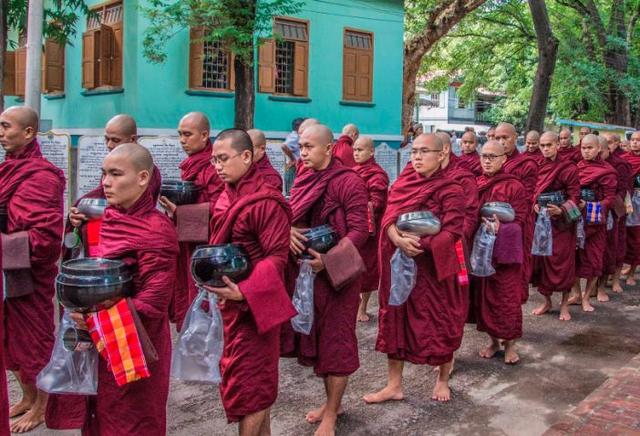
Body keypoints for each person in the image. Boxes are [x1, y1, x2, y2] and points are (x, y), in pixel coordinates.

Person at [46, 143, 179, 435]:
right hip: (104, 338)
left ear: (143, 178)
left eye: (116, 174)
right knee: (100, 417)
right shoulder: (111, 218)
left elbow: (154, 302)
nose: (106, 183)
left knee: (131, 421)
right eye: (104, 174)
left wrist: (94, 320)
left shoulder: (156, 230)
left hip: (137, 342)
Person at [204, 129, 296, 435]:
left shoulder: (265, 201)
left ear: (246, 156)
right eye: (214, 159)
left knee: (253, 386)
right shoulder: (225, 194)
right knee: (247, 382)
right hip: (230, 303)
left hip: (255, 305)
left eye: (224, 158)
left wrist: (245, 291)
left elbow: (276, 258)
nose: (217, 166)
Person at [364, 133, 466, 404]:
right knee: (395, 319)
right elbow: (388, 216)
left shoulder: (451, 188)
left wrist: (422, 243)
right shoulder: (402, 184)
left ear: (442, 154)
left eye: (424, 151)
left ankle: (443, 379)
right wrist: (396, 237)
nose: (417, 157)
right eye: (414, 152)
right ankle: (394, 385)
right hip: (400, 264)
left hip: (432, 268)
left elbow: (454, 230)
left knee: (442, 320)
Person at [283, 124, 369, 436]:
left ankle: (332, 414)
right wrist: (288, 229)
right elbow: (291, 214)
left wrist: (329, 261)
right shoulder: (304, 176)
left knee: (337, 343)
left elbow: (360, 229)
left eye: (309, 147)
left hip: (339, 275)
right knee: (319, 340)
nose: (302, 152)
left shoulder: (348, 181)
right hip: (310, 272)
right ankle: (332, 403)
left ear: (330, 148)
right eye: (301, 147)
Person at [0, 106, 65, 433]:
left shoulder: (41, 176)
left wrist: (4, 244)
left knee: (33, 341)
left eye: (6, 126)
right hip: (8, 272)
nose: (0, 132)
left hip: (30, 275)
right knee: (10, 341)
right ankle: (28, 397)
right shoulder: (10, 168)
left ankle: (42, 406)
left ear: (28, 133)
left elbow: (46, 239)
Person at [159, 112, 224, 330]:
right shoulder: (191, 164)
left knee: (200, 295)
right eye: (180, 135)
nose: (182, 140)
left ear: (205, 135)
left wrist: (180, 212)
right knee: (186, 289)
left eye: (188, 134)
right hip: (187, 240)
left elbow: (221, 208)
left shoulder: (215, 168)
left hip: (205, 246)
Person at [66, 115, 162, 259]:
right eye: (107, 139)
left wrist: (87, 208)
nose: (109, 145)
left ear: (133, 139)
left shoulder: (147, 172)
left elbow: (130, 207)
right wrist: (79, 215)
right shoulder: (111, 165)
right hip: (102, 238)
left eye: (115, 140)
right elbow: (105, 200)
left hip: (132, 239)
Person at [473, 140, 528, 364]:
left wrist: (501, 229)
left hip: (505, 253)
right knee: (485, 298)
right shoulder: (476, 183)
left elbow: (522, 219)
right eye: (484, 156)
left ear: (504, 159)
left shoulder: (514, 186)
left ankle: (510, 346)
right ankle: (494, 342)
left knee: (507, 299)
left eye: (492, 156)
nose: (487, 160)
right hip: (481, 249)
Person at [530, 132, 580, 321]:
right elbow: (532, 191)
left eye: (549, 145)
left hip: (562, 224)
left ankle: (565, 304)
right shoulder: (537, 166)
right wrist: (533, 203)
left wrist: (561, 211)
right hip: (542, 223)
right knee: (542, 262)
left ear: (558, 145)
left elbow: (575, 196)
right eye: (542, 145)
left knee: (563, 263)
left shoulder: (568, 168)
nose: (545, 149)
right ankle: (547, 301)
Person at [569, 134, 617, 312]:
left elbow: (610, 199)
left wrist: (589, 206)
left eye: (589, 148)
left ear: (599, 149)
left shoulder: (608, 171)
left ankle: (587, 297)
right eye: (583, 148)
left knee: (594, 261)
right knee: (574, 259)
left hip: (595, 223)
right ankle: (576, 293)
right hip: (576, 220)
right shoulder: (576, 168)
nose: (586, 151)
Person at [494, 122, 539, 303]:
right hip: (490, 224)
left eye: (505, 137)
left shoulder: (526, 164)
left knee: (512, 273)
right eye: (497, 138)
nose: (501, 142)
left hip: (516, 225)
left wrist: (505, 222)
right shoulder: (490, 160)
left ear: (515, 138)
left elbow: (525, 200)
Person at [352, 136, 389, 322]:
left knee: (366, 269)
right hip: (351, 227)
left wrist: (356, 208)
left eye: (360, 150)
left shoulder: (377, 174)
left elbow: (378, 202)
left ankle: (363, 306)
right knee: (350, 267)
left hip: (369, 229)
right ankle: (353, 303)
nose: (356, 153)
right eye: (355, 150)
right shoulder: (352, 171)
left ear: (371, 152)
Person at [597, 134, 632, 299]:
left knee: (615, 247)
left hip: (615, 211)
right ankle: (595, 286)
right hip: (595, 212)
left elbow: (624, 190)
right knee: (597, 250)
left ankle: (614, 280)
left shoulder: (620, 164)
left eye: (610, 143)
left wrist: (610, 204)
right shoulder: (592, 164)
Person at [622, 131, 640, 285]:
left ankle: (632, 272)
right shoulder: (625, 159)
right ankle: (623, 267)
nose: (635, 143)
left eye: (638, 140)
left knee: (636, 237)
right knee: (624, 235)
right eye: (633, 140)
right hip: (626, 200)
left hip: (639, 201)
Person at [281, 117, 305, 196]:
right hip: (293, 168)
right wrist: (293, 159)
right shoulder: (295, 136)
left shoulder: (297, 136)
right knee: (291, 193)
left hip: (295, 167)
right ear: (299, 127)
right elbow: (284, 146)